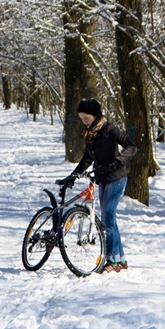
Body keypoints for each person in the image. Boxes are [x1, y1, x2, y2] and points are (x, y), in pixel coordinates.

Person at [58, 98, 137, 273]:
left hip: (116, 178)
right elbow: (87, 158)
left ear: (95, 116)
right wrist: (73, 176)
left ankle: (111, 260)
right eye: (81, 118)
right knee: (109, 220)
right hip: (102, 178)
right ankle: (120, 259)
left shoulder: (109, 129)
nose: (84, 121)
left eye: (86, 117)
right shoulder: (90, 133)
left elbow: (131, 147)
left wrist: (118, 161)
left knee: (108, 218)